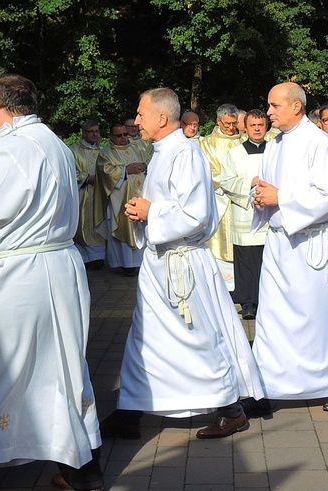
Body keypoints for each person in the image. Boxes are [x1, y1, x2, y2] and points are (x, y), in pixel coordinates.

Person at [0, 74, 103, 491]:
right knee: (62, 373)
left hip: (14, 282)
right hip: (59, 273)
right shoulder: (57, 145)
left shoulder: (7, 150)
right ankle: (83, 472)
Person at [101, 87, 264, 440]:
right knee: (145, 337)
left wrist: (151, 211)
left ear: (162, 117)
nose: (136, 120)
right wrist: (142, 212)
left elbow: (196, 214)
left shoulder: (185, 153)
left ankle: (230, 409)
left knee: (196, 337)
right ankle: (129, 411)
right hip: (160, 263)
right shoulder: (161, 152)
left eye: (141, 114)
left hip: (182, 265)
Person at [248, 82, 328, 413]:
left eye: (274, 106)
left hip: (315, 242)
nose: (268, 112)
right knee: (273, 317)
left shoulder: (319, 142)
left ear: (296, 107)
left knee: (321, 318)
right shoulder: (275, 144)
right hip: (281, 243)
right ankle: (269, 385)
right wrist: (260, 194)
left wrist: (280, 196)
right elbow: (270, 187)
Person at [220, 109, 271, 320]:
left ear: (266, 126)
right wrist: (249, 183)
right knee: (246, 261)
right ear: (246, 127)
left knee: (268, 260)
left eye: (261, 125)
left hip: (270, 215)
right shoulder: (235, 152)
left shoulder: (275, 150)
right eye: (253, 125)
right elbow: (225, 181)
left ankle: (268, 302)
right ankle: (248, 303)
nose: (257, 129)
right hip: (245, 215)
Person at [95, 123, 147, 276]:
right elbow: (104, 172)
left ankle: (140, 262)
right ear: (111, 136)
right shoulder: (106, 153)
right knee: (123, 225)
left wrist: (144, 166)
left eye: (125, 134)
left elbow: (147, 161)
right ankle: (125, 264)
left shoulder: (137, 148)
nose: (124, 138)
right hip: (119, 201)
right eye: (119, 135)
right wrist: (125, 170)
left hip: (140, 196)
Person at [199, 103, 243, 288]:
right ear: (218, 121)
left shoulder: (244, 141)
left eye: (234, 123)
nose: (231, 128)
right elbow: (206, 171)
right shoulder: (206, 143)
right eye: (226, 124)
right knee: (219, 242)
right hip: (220, 200)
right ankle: (221, 286)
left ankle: (242, 285)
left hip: (242, 200)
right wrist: (231, 183)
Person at [69, 119, 105, 268]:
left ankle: (98, 257)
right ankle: (85, 258)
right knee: (82, 223)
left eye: (97, 131)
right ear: (84, 133)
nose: (95, 134)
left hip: (99, 194)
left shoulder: (103, 151)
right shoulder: (73, 150)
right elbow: (70, 171)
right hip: (82, 193)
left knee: (98, 222)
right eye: (92, 131)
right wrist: (86, 178)